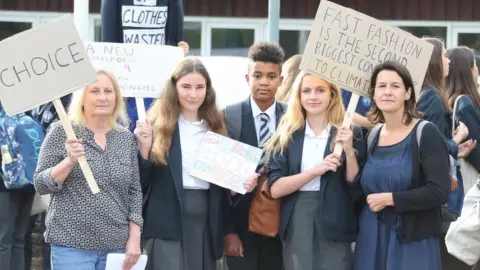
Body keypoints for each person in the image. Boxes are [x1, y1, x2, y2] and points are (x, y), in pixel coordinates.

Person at [137, 57, 257, 270]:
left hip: (205, 222)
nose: (193, 94)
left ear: (208, 90)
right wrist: (144, 150)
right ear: (174, 88)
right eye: (186, 87)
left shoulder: (217, 127)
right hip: (166, 222)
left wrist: (242, 184)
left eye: (199, 87)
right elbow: (140, 185)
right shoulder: (156, 127)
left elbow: (223, 191)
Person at [34, 70, 143, 270]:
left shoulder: (125, 139)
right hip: (71, 246)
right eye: (94, 91)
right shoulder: (62, 131)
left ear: (117, 98)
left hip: (116, 246)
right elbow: (40, 184)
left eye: (108, 91)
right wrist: (69, 161)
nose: (102, 97)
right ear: (82, 97)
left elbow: (135, 191)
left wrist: (134, 237)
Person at [353, 61, 451, 270]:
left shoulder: (426, 133)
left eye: (395, 86)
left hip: (411, 240)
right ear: (374, 94)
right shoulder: (372, 137)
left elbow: (439, 191)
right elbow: (358, 190)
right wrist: (345, 150)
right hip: (372, 237)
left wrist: (391, 199)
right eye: (381, 86)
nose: (387, 92)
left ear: (407, 93)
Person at [266, 72, 365, 270]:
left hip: (336, 218)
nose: (313, 96)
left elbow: (356, 187)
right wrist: (316, 171)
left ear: (332, 95)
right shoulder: (286, 133)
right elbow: (275, 188)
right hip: (297, 219)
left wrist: (348, 150)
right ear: (299, 96)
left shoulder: (350, 131)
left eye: (320, 90)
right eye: (307, 91)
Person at [223, 42, 286, 270]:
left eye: (271, 76)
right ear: (247, 78)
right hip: (240, 228)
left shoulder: (292, 119)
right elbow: (220, 182)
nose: (264, 82)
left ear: (281, 80)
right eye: (258, 75)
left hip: (278, 229)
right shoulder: (229, 116)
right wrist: (228, 231)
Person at [417, 37, 473, 270]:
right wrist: (455, 142)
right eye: (443, 55)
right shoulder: (431, 96)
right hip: (438, 190)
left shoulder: (428, 93)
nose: (447, 61)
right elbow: (427, 142)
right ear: (433, 63)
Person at [25, 94, 71, 270]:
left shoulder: (70, 97)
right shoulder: (36, 100)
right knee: (28, 233)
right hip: (33, 172)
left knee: (49, 233)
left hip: (60, 173)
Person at [0, 107, 44, 270]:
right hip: (29, 183)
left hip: (4, 187)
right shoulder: (28, 119)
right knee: (18, 238)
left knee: (3, 241)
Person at [446, 46, 480, 173]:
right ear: (469, 71)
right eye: (475, 65)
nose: (478, 70)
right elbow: (474, 150)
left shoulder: (448, 100)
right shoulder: (465, 105)